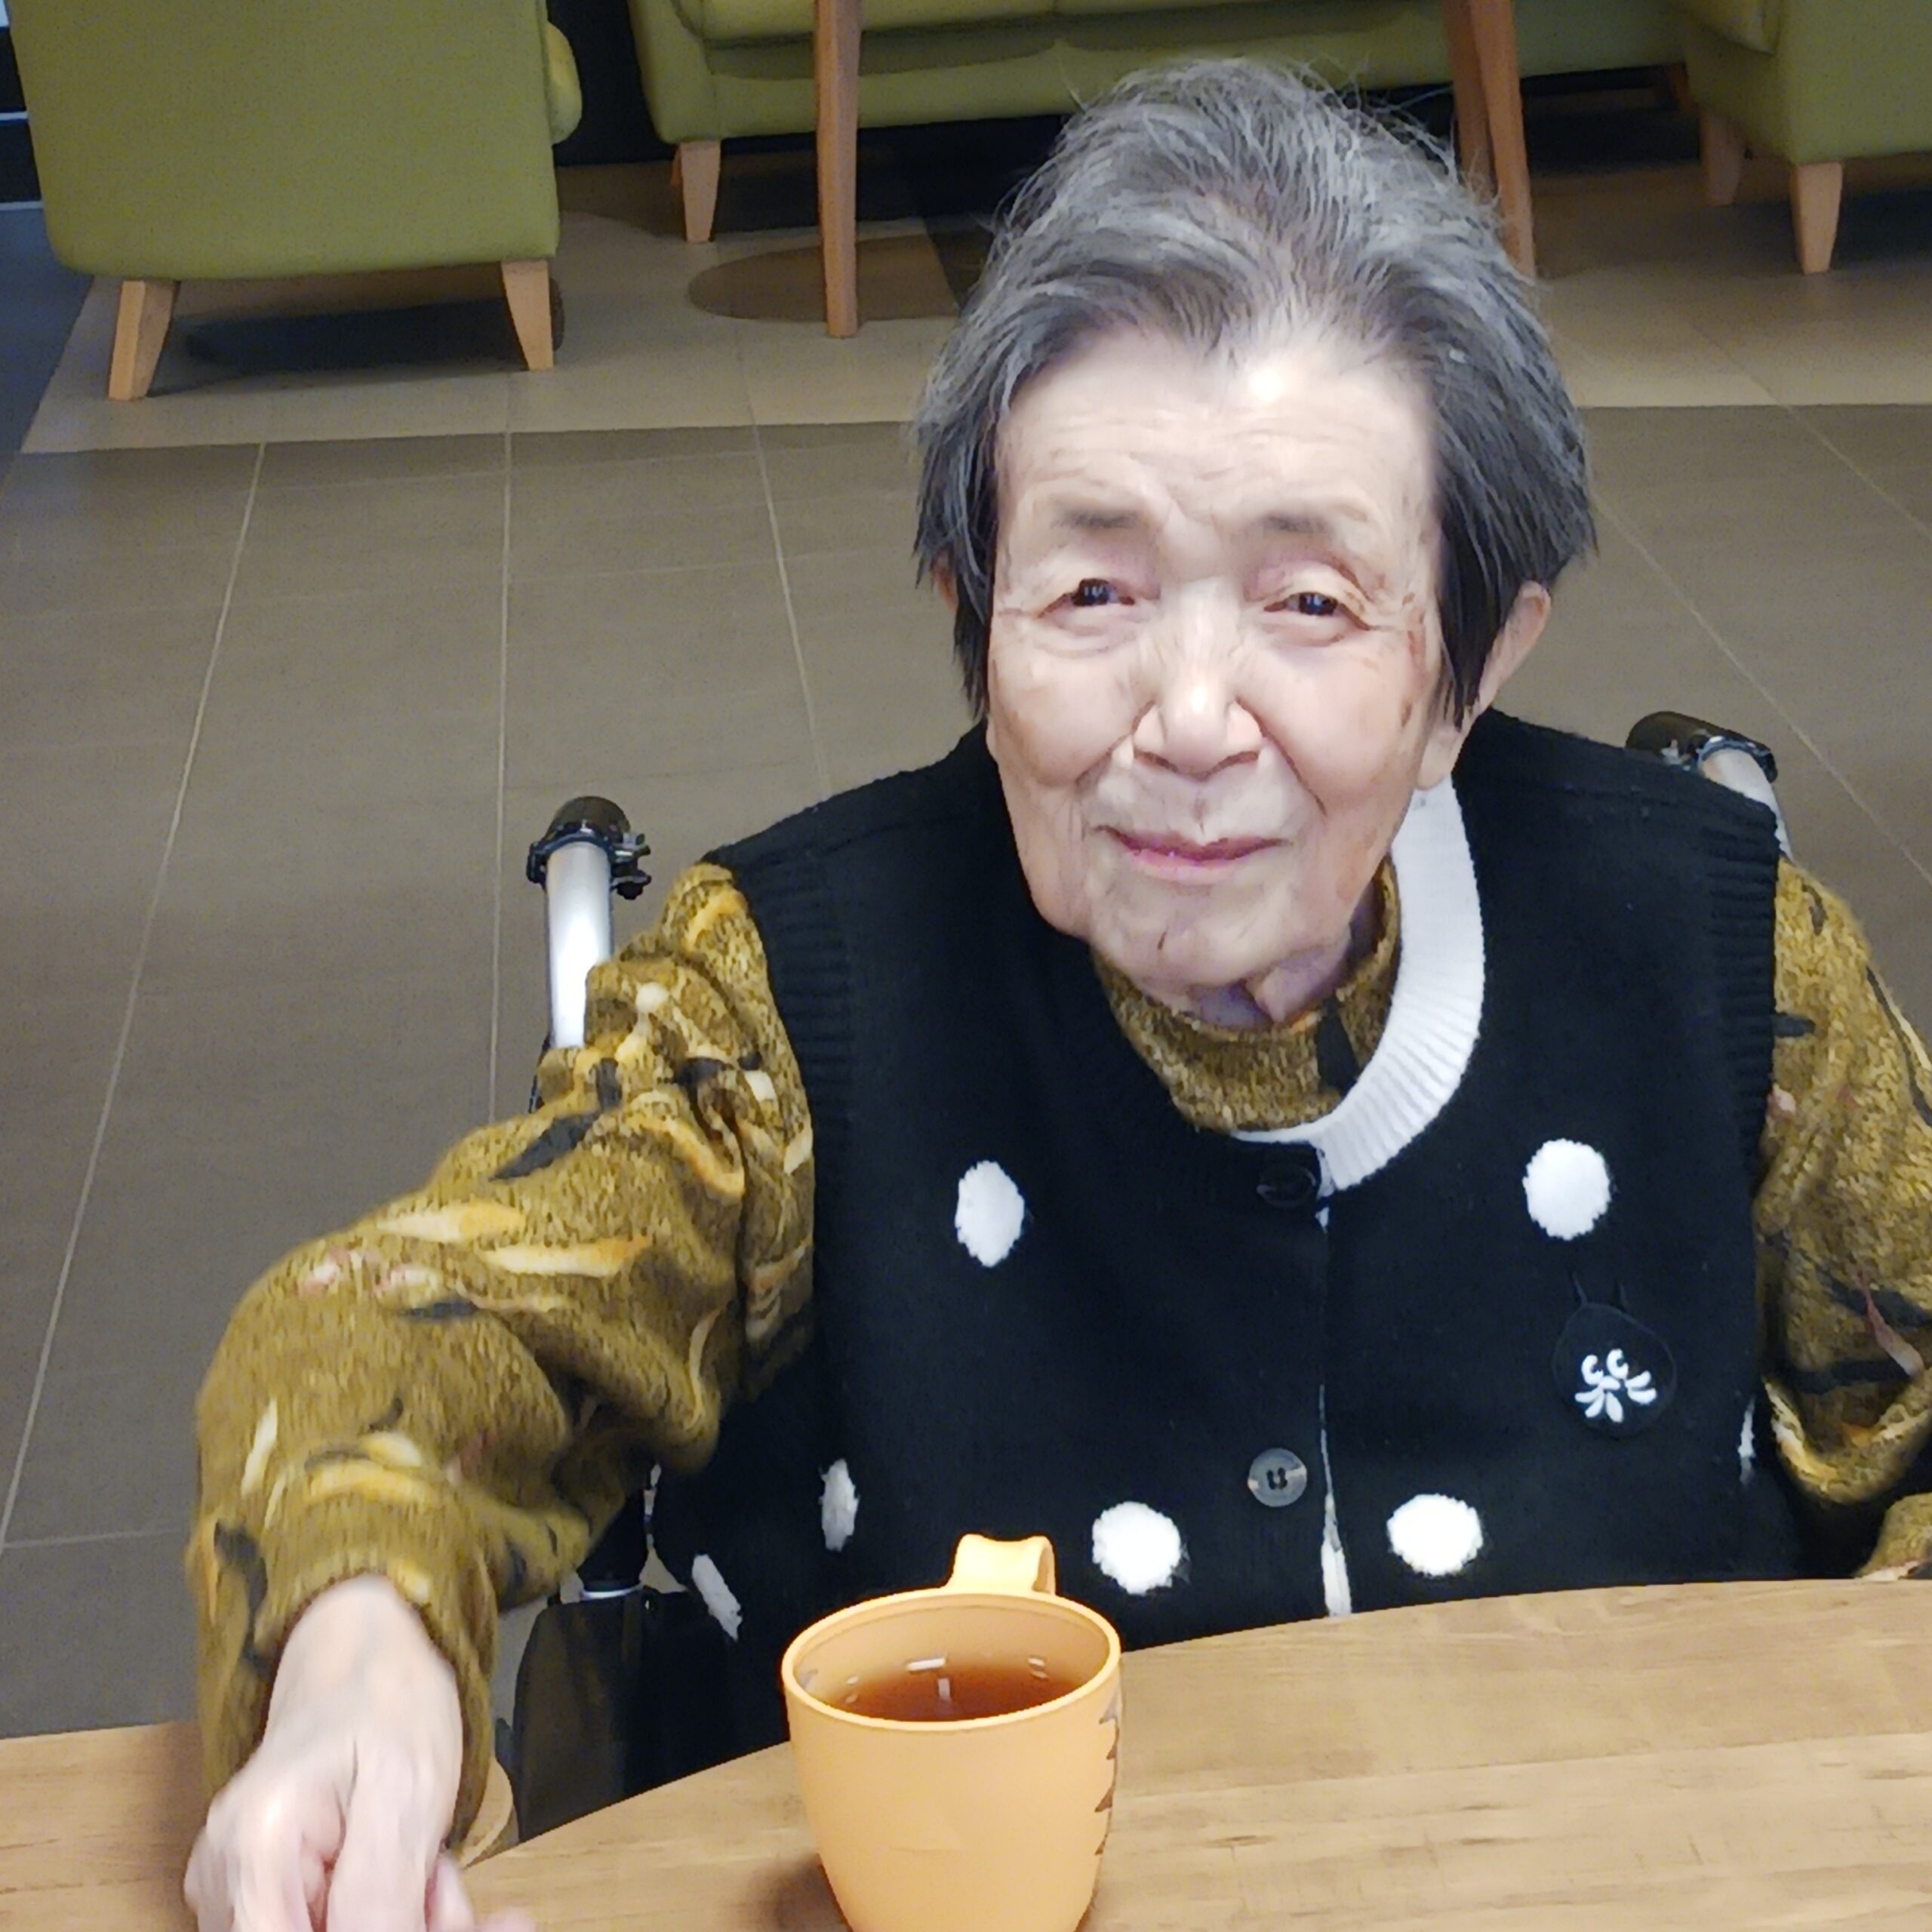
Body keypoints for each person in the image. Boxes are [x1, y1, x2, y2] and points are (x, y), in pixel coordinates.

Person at [184, 60, 1932, 1932]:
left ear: (1467, 666)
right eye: (1092, 591)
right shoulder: (792, 1000)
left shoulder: (1717, 957)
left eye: (1310, 602)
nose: (1185, 718)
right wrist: (357, 1657)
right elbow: (399, 1328)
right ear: (972, 606)